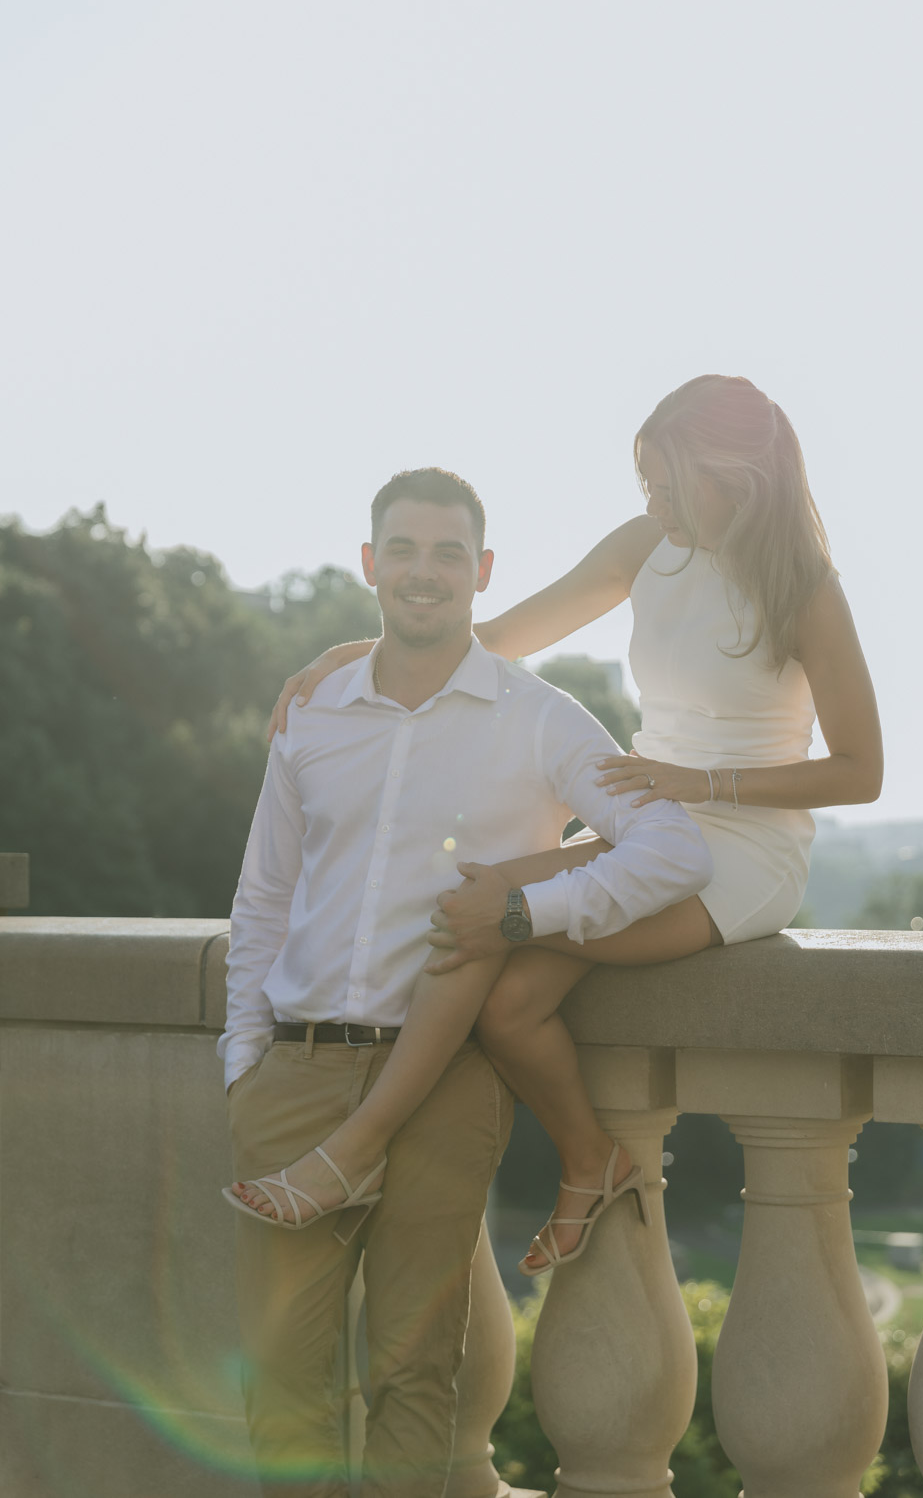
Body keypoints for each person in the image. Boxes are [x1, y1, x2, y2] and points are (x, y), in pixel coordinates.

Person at [268, 375, 883, 1276]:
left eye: (668, 484)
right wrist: (363, 648)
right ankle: (592, 1160)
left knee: (493, 944)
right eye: (646, 485)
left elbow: (861, 772)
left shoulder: (806, 591)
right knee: (493, 960)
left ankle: (356, 1151)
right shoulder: (646, 546)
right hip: (650, 822)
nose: (653, 503)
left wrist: (702, 778)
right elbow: (505, 634)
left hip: (746, 852)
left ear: (734, 477)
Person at [221, 465, 711, 1498]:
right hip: (297, 1073)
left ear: (483, 572)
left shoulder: (538, 717)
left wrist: (526, 911)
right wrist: (243, 1058)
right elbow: (262, 899)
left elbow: (672, 849)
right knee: (280, 1386)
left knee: (414, 1377)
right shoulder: (312, 716)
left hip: (446, 1086)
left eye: (448, 553)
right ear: (370, 565)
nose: (423, 572)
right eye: (402, 549)